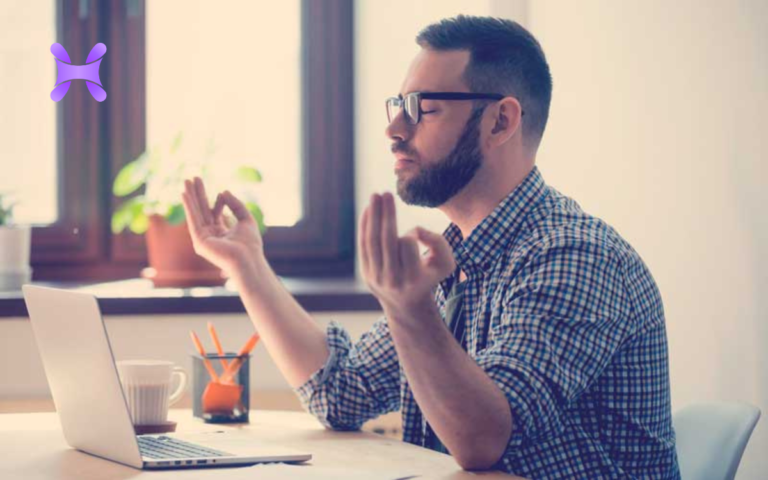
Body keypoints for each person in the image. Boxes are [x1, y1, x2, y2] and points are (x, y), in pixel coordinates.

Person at [181, 15, 680, 479]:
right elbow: (339, 391)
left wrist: (411, 309)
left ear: (501, 122)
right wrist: (246, 266)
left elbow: (485, 440)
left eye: (424, 109)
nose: (395, 130)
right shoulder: (455, 257)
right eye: (398, 107)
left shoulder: (575, 257)